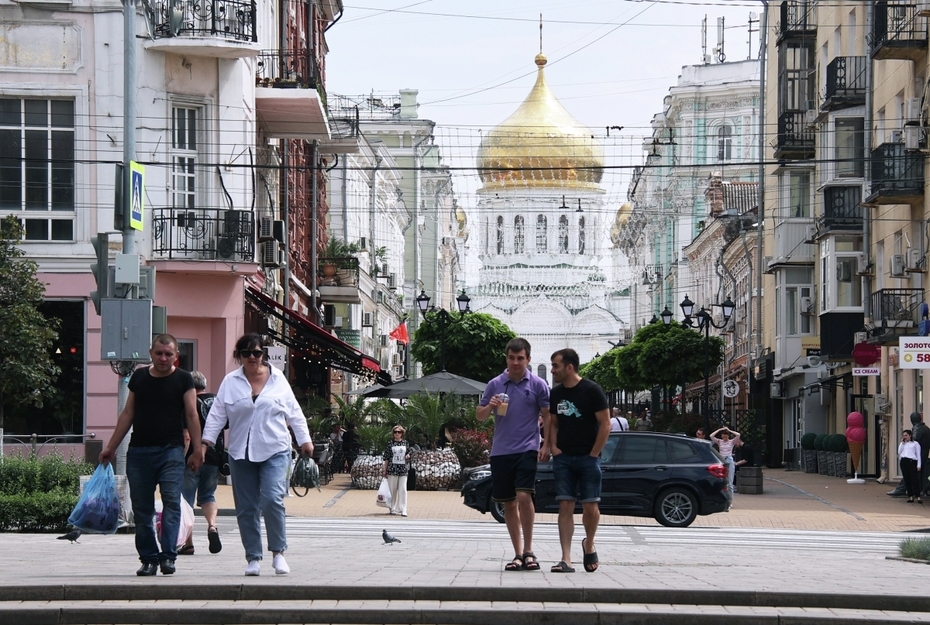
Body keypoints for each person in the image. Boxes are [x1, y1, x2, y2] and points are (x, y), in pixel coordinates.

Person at [202, 334, 313, 576]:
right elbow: (217, 414)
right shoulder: (230, 382)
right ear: (239, 356)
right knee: (246, 507)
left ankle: (278, 553)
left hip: (275, 449)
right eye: (246, 353)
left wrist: (304, 440)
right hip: (241, 452)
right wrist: (205, 443)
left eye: (257, 353)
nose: (252, 357)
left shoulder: (278, 379)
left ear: (264, 354)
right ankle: (253, 557)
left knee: (273, 499)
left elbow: (294, 411)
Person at [99, 334, 202, 576]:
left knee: (171, 502)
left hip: (171, 450)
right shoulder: (140, 377)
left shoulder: (183, 379)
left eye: (169, 354)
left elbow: (192, 415)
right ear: (151, 353)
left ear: (176, 356)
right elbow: (128, 414)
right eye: (159, 353)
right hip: (140, 452)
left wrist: (197, 450)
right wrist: (111, 447)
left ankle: (168, 557)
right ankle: (148, 559)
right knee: (142, 509)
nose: (164, 358)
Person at [477, 337, 551, 572]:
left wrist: (547, 444)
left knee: (524, 497)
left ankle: (529, 550)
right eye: (512, 358)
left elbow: (548, 416)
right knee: (508, 503)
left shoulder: (538, 385)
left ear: (528, 359)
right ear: (507, 358)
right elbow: (479, 415)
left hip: (527, 448)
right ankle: (518, 553)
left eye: (520, 358)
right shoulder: (495, 384)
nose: (516, 362)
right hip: (501, 451)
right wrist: (490, 406)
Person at [548, 348, 611, 574]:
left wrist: (594, 453)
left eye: (555, 366)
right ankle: (566, 558)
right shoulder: (555, 393)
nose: (553, 370)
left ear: (569, 367)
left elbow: (606, 423)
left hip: (588, 458)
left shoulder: (592, 390)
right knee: (565, 505)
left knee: (590, 506)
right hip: (564, 457)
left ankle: (589, 543)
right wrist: (553, 447)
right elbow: (553, 422)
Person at [178, 371, 223, 556]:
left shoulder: (189, 402)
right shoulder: (216, 401)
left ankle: (188, 544)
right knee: (208, 496)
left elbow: (187, 435)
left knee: (186, 501)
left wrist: (180, 458)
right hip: (214, 457)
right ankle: (212, 526)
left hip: (192, 458)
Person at [381, 425, 411, 516]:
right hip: (392, 469)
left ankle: (403, 509)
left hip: (403, 469)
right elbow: (386, 458)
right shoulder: (390, 444)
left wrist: (408, 456)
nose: (397, 434)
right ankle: (392, 507)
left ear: (402, 433)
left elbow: (409, 453)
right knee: (392, 490)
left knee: (403, 490)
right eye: (395, 432)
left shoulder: (405, 443)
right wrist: (384, 470)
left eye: (399, 432)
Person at [711, 427, 741, 492]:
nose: (725, 438)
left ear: (728, 436)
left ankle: (730, 497)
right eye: (723, 437)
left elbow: (738, 435)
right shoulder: (719, 441)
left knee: (730, 481)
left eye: (726, 437)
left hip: (729, 459)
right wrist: (719, 430)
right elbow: (711, 436)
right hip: (722, 460)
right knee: (721, 479)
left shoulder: (731, 442)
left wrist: (729, 430)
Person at [898, 429, 922, 504]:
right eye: (904, 436)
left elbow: (918, 455)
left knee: (914, 479)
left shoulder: (915, 444)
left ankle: (918, 496)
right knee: (907, 479)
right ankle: (910, 496)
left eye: (906, 435)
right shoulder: (903, 444)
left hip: (912, 461)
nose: (905, 437)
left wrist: (919, 465)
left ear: (910, 435)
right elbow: (899, 452)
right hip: (904, 461)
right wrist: (902, 443)